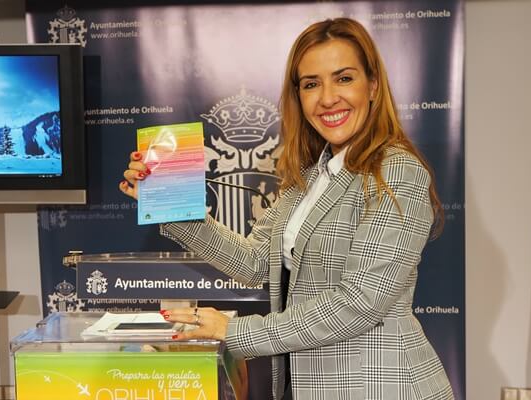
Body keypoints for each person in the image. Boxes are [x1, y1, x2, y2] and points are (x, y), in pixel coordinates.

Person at [120, 17, 454, 400]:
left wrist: (235, 332)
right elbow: (254, 262)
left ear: (373, 85)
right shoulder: (310, 177)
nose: (327, 98)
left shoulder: (396, 171)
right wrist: (167, 201)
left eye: (344, 78)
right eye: (311, 84)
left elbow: (360, 302)